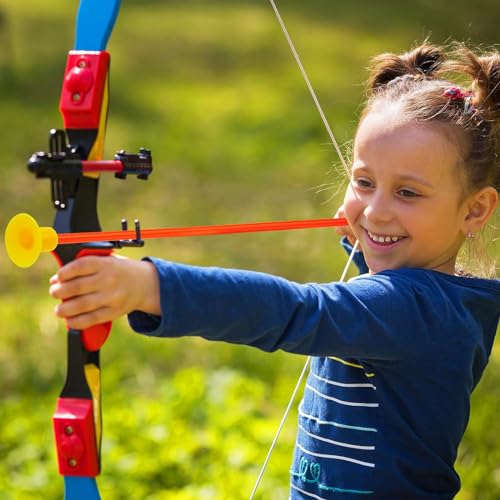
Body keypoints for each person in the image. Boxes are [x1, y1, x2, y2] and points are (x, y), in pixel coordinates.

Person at [49, 43, 500, 498]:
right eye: (364, 182)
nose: (375, 211)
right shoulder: (427, 303)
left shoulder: (417, 312)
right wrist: (371, 251)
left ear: (475, 209)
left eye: (408, 193)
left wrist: (150, 287)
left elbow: (293, 310)